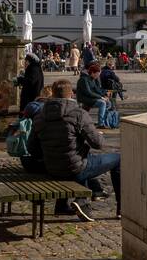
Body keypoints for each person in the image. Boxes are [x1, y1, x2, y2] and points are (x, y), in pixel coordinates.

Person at [34, 78, 121, 217]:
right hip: (75, 168)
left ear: (53, 94)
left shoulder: (40, 116)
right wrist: (96, 133)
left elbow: (32, 147)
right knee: (117, 159)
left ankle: (63, 205)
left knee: (73, 155)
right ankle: (121, 208)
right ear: (71, 95)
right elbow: (98, 144)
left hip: (51, 167)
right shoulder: (78, 114)